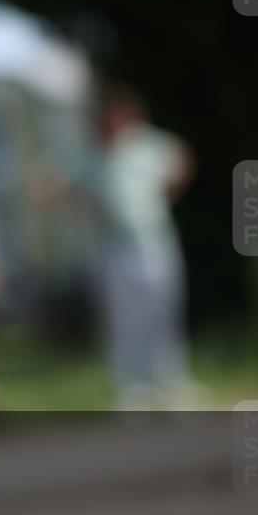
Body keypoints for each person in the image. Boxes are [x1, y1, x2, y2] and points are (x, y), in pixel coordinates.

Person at [91, 83, 199, 409]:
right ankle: (133, 388)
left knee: (165, 311)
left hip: (155, 239)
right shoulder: (98, 154)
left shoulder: (150, 145)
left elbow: (183, 158)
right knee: (126, 318)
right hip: (118, 245)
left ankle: (173, 383)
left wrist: (166, 196)